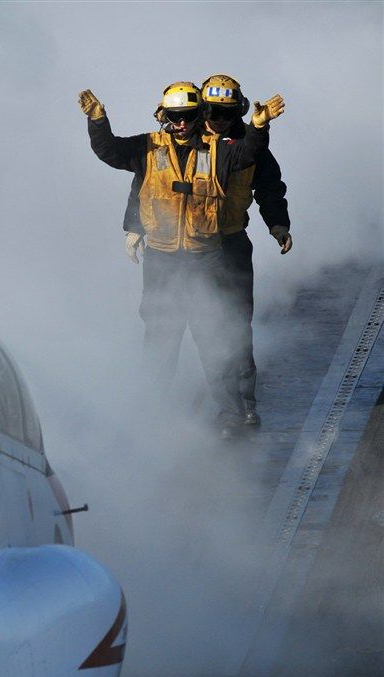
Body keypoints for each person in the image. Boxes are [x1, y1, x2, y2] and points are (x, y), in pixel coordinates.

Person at [79, 82, 285, 437]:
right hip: (163, 258)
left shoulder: (221, 150)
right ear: (163, 116)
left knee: (218, 330)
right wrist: (98, 121)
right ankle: (152, 411)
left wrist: (260, 126)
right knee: (161, 332)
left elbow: (252, 158)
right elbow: (133, 174)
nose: (182, 124)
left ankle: (237, 411)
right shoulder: (150, 147)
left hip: (212, 252)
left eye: (189, 117)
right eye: (174, 117)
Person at [200, 73, 291, 426]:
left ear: (238, 112)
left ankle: (247, 403)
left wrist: (278, 224)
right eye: (211, 111)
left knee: (238, 323)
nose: (218, 119)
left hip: (234, 243)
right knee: (208, 325)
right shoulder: (183, 142)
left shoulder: (250, 144)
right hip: (194, 247)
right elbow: (152, 185)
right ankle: (227, 410)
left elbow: (269, 187)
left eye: (226, 113)